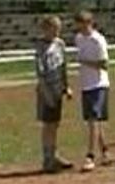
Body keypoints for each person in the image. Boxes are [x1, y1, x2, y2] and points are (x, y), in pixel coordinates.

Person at [34, 15, 72, 173]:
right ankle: (47, 157)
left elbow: (63, 67)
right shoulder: (40, 47)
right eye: (53, 29)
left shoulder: (60, 44)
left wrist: (66, 86)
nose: (57, 32)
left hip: (57, 87)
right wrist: (46, 92)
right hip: (46, 89)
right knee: (47, 124)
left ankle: (54, 154)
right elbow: (40, 72)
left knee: (55, 123)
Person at [73, 10, 110, 172]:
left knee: (93, 119)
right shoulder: (79, 39)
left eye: (82, 25)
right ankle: (105, 150)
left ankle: (90, 155)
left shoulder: (98, 40)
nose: (79, 29)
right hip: (86, 84)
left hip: (98, 84)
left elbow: (104, 64)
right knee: (94, 119)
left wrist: (85, 62)